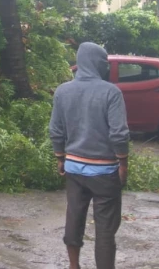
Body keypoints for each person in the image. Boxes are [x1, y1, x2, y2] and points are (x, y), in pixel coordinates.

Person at [49, 42, 129, 269]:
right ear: (97, 64)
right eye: (104, 63)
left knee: (74, 218)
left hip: (74, 169)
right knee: (105, 230)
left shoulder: (63, 91)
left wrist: (60, 158)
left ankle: (74, 266)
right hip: (105, 172)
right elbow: (119, 134)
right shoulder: (111, 92)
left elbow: (56, 130)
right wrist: (123, 163)